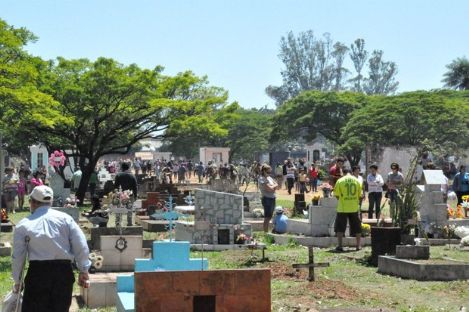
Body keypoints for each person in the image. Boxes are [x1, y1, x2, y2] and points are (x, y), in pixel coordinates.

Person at [12, 185, 91, 311]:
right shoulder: (66, 219)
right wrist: (84, 269)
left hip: (38, 274)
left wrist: (17, 280)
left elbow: (18, 256)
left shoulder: (24, 225)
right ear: (51, 201)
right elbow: (80, 245)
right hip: (63, 273)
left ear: (32, 202)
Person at [333, 168, 362, 251]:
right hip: (354, 207)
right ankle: (358, 245)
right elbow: (360, 195)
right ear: (351, 172)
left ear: (343, 172)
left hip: (342, 208)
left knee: (340, 227)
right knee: (357, 226)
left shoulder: (340, 181)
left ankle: (340, 245)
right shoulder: (356, 181)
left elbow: (337, 195)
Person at [258, 164, 278, 232]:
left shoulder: (269, 178)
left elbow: (277, 185)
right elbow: (269, 189)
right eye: (268, 172)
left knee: (270, 216)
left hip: (272, 198)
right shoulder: (261, 179)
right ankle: (265, 232)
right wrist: (273, 186)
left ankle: (267, 231)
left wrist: (273, 186)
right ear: (264, 171)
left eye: (270, 172)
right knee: (267, 217)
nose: (269, 174)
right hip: (266, 199)